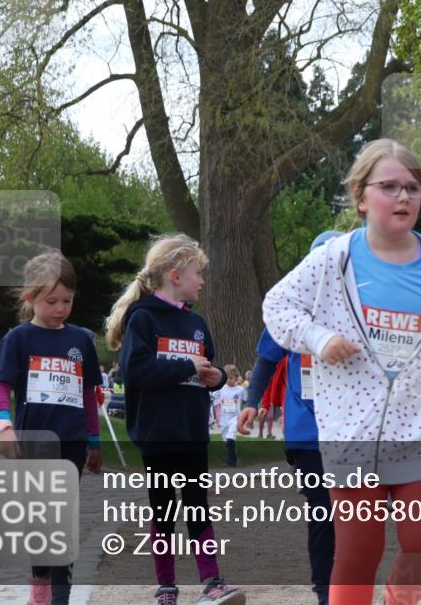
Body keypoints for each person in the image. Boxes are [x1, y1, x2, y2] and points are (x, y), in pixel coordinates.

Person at [263, 139, 421, 605]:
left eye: (413, 188)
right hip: (352, 429)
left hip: (420, 427)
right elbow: (277, 306)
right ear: (361, 198)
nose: (403, 197)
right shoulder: (333, 259)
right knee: (360, 551)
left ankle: (396, 599)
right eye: (390, 187)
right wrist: (320, 340)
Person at [105, 234, 244, 605]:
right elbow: (136, 370)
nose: (202, 281)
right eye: (197, 273)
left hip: (193, 431)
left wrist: (217, 377)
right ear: (174, 274)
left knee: (198, 504)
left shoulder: (197, 324)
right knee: (164, 507)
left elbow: (208, 369)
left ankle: (212, 582)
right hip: (157, 433)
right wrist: (186, 364)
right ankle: (166, 585)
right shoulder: (144, 319)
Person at [0, 250, 102, 605]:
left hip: (72, 444)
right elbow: (1, 387)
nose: (61, 308)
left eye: (67, 300)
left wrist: (93, 441)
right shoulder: (18, 339)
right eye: (52, 300)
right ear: (30, 298)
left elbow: (88, 394)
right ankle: (39, 579)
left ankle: (60, 600)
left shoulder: (81, 340)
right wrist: (4, 427)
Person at [238, 228, 342, 605]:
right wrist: (252, 400)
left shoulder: (361, 312)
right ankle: (324, 592)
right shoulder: (292, 312)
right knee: (324, 511)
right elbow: (267, 359)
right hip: (307, 430)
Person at [214, 365, 244, 466]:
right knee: (225, 439)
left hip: (235, 418)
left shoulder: (240, 390)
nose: (229, 380)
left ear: (236, 377)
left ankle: (231, 461)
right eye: (227, 378)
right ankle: (233, 456)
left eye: (231, 378)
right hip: (224, 418)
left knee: (231, 436)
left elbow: (247, 400)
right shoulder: (221, 388)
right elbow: (214, 399)